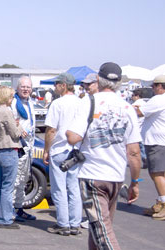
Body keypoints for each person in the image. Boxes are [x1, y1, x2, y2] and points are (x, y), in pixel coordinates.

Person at [66, 62, 141, 250]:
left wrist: (68, 132)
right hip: (115, 178)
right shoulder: (127, 108)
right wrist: (135, 181)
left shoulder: (89, 101)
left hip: (93, 176)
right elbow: (134, 152)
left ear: (98, 79)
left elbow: (73, 137)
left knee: (103, 232)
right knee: (98, 227)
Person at [43, 73, 82, 236]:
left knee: (59, 189)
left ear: (64, 85)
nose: (55, 86)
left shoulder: (57, 104)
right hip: (76, 150)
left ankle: (63, 223)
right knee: (73, 188)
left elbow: (51, 129)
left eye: (57, 84)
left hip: (60, 149)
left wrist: (46, 150)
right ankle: (75, 223)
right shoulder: (82, 103)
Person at [0, 86, 27, 229]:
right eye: (11, 97)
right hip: (9, 150)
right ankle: (5, 219)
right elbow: (14, 133)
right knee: (7, 187)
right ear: (8, 98)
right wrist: (20, 127)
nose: (13, 99)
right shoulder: (7, 111)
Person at [135, 75, 165, 220]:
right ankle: (161, 200)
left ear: (160, 86)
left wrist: (133, 108)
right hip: (160, 140)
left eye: (154, 86)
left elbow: (140, 112)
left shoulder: (159, 99)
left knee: (157, 173)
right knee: (160, 174)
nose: (152, 89)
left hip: (156, 141)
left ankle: (164, 203)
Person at [10, 76, 37, 221]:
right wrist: (18, 129)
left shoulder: (31, 103)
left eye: (28, 87)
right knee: (16, 179)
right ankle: (12, 209)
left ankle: (19, 208)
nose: (26, 89)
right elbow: (10, 121)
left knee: (23, 179)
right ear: (18, 88)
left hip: (29, 147)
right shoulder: (14, 103)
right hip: (19, 146)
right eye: (23, 87)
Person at [131, 88, 147, 167]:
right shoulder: (145, 103)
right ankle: (145, 158)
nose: (132, 97)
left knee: (139, 145)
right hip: (143, 126)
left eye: (133, 95)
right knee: (142, 144)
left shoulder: (135, 104)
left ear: (137, 96)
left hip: (136, 126)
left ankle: (145, 158)